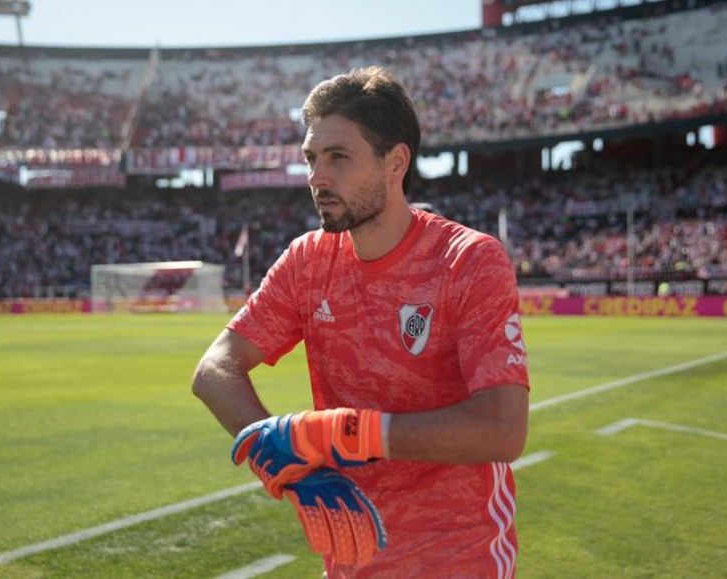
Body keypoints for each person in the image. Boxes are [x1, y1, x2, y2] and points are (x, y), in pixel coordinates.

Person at [193, 66, 530, 578]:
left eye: (338, 158)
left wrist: (345, 433)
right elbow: (215, 370)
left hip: (460, 557)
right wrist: (276, 453)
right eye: (311, 158)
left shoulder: (468, 260)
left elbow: (502, 430)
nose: (316, 177)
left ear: (395, 163)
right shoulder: (308, 260)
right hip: (351, 555)